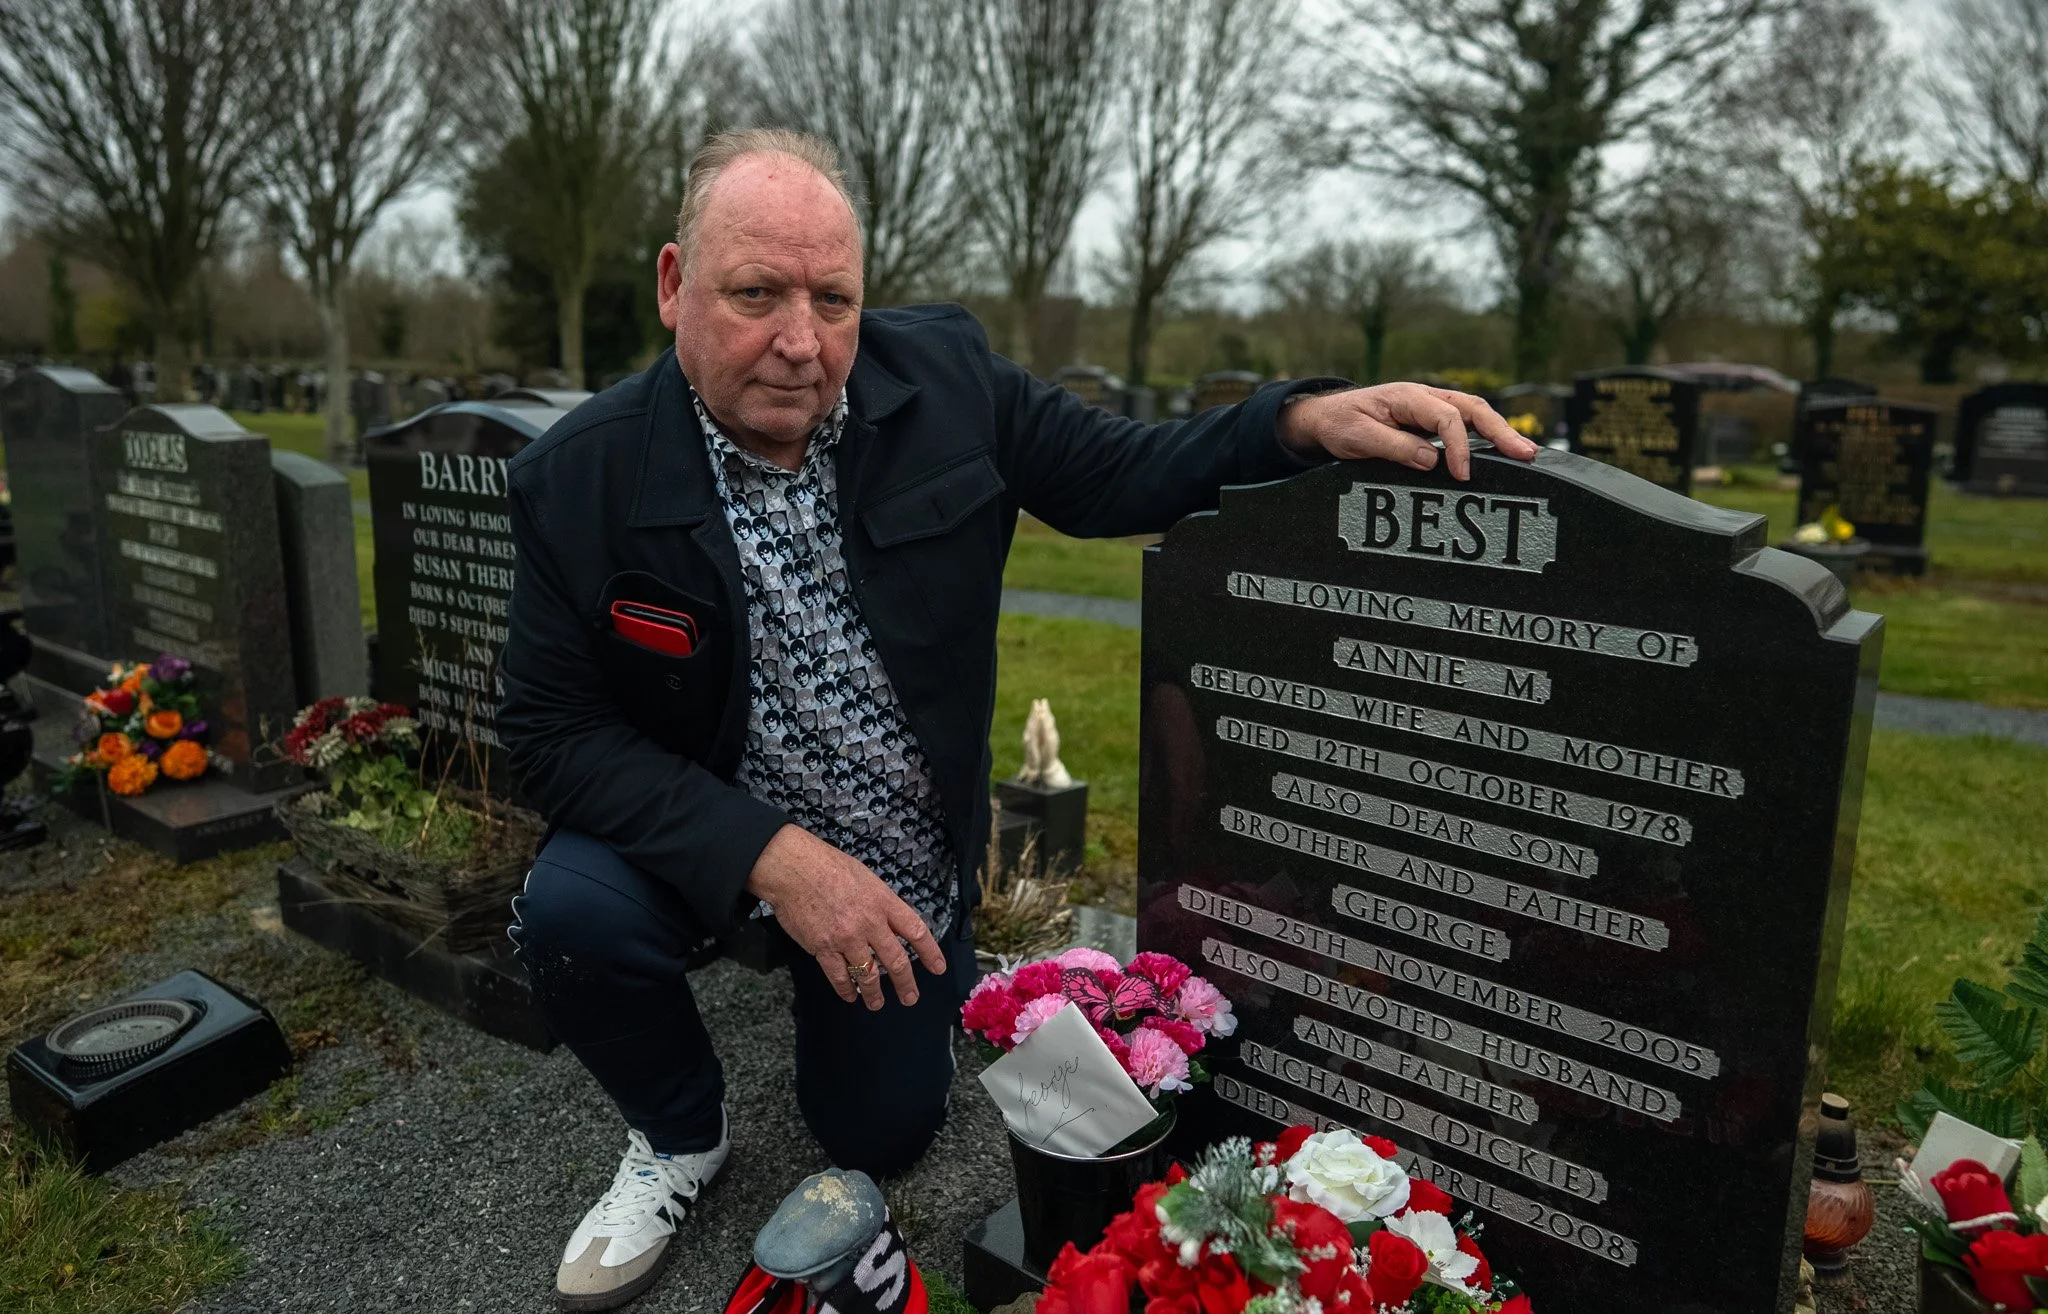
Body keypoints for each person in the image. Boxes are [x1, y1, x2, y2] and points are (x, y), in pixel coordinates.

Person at [500, 126, 1537, 1312]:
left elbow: (1123, 473)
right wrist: (772, 860)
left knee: (877, 1137)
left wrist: (1296, 422)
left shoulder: (944, 383)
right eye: (755, 294)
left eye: (833, 299)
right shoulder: (576, 480)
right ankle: (680, 1135)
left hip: (895, 863)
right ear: (675, 284)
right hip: (709, 841)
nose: (800, 342)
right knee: (570, 914)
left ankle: (880, 981)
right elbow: (550, 734)